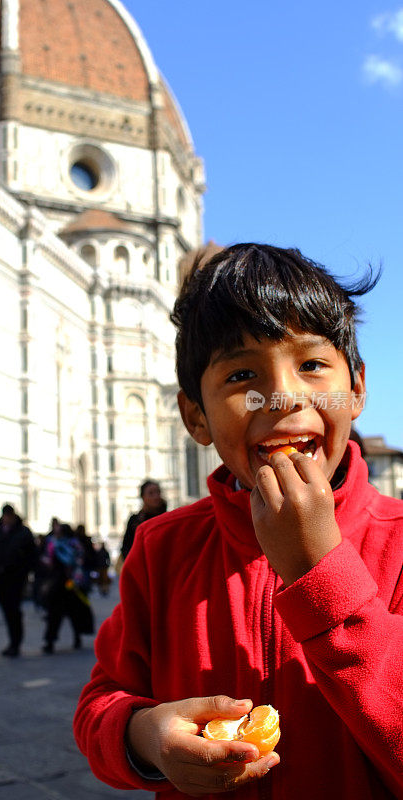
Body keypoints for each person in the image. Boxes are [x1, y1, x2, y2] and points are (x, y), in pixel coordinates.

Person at [74, 243, 403, 799]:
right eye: (242, 373)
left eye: (313, 364)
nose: (281, 395)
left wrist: (318, 570)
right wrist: (142, 737)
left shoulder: (397, 539)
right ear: (195, 416)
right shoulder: (163, 548)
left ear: (357, 389)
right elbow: (102, 698)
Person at [0, 504, 37, 657]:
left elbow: (31, 555)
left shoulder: (23, 533)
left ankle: (16, 642)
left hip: (16, 577)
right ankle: (12, 641)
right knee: (7, 610)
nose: (7, 519)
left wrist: (24, 571)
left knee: (14, 609)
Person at [40, 523, 93, 654]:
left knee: (74, 612)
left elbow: (79, 560)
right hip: (59, 582)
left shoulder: (72, 544)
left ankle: (76, 637)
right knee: (55, 614)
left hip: (71, 583)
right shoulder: (53, 544)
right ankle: (51, 641)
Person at [119, 480, 166, 562]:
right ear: (143, 497)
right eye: (151, 493)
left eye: (158, 492)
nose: (156, 496)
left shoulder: (166, 518)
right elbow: (126, 547)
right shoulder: (135, 520)